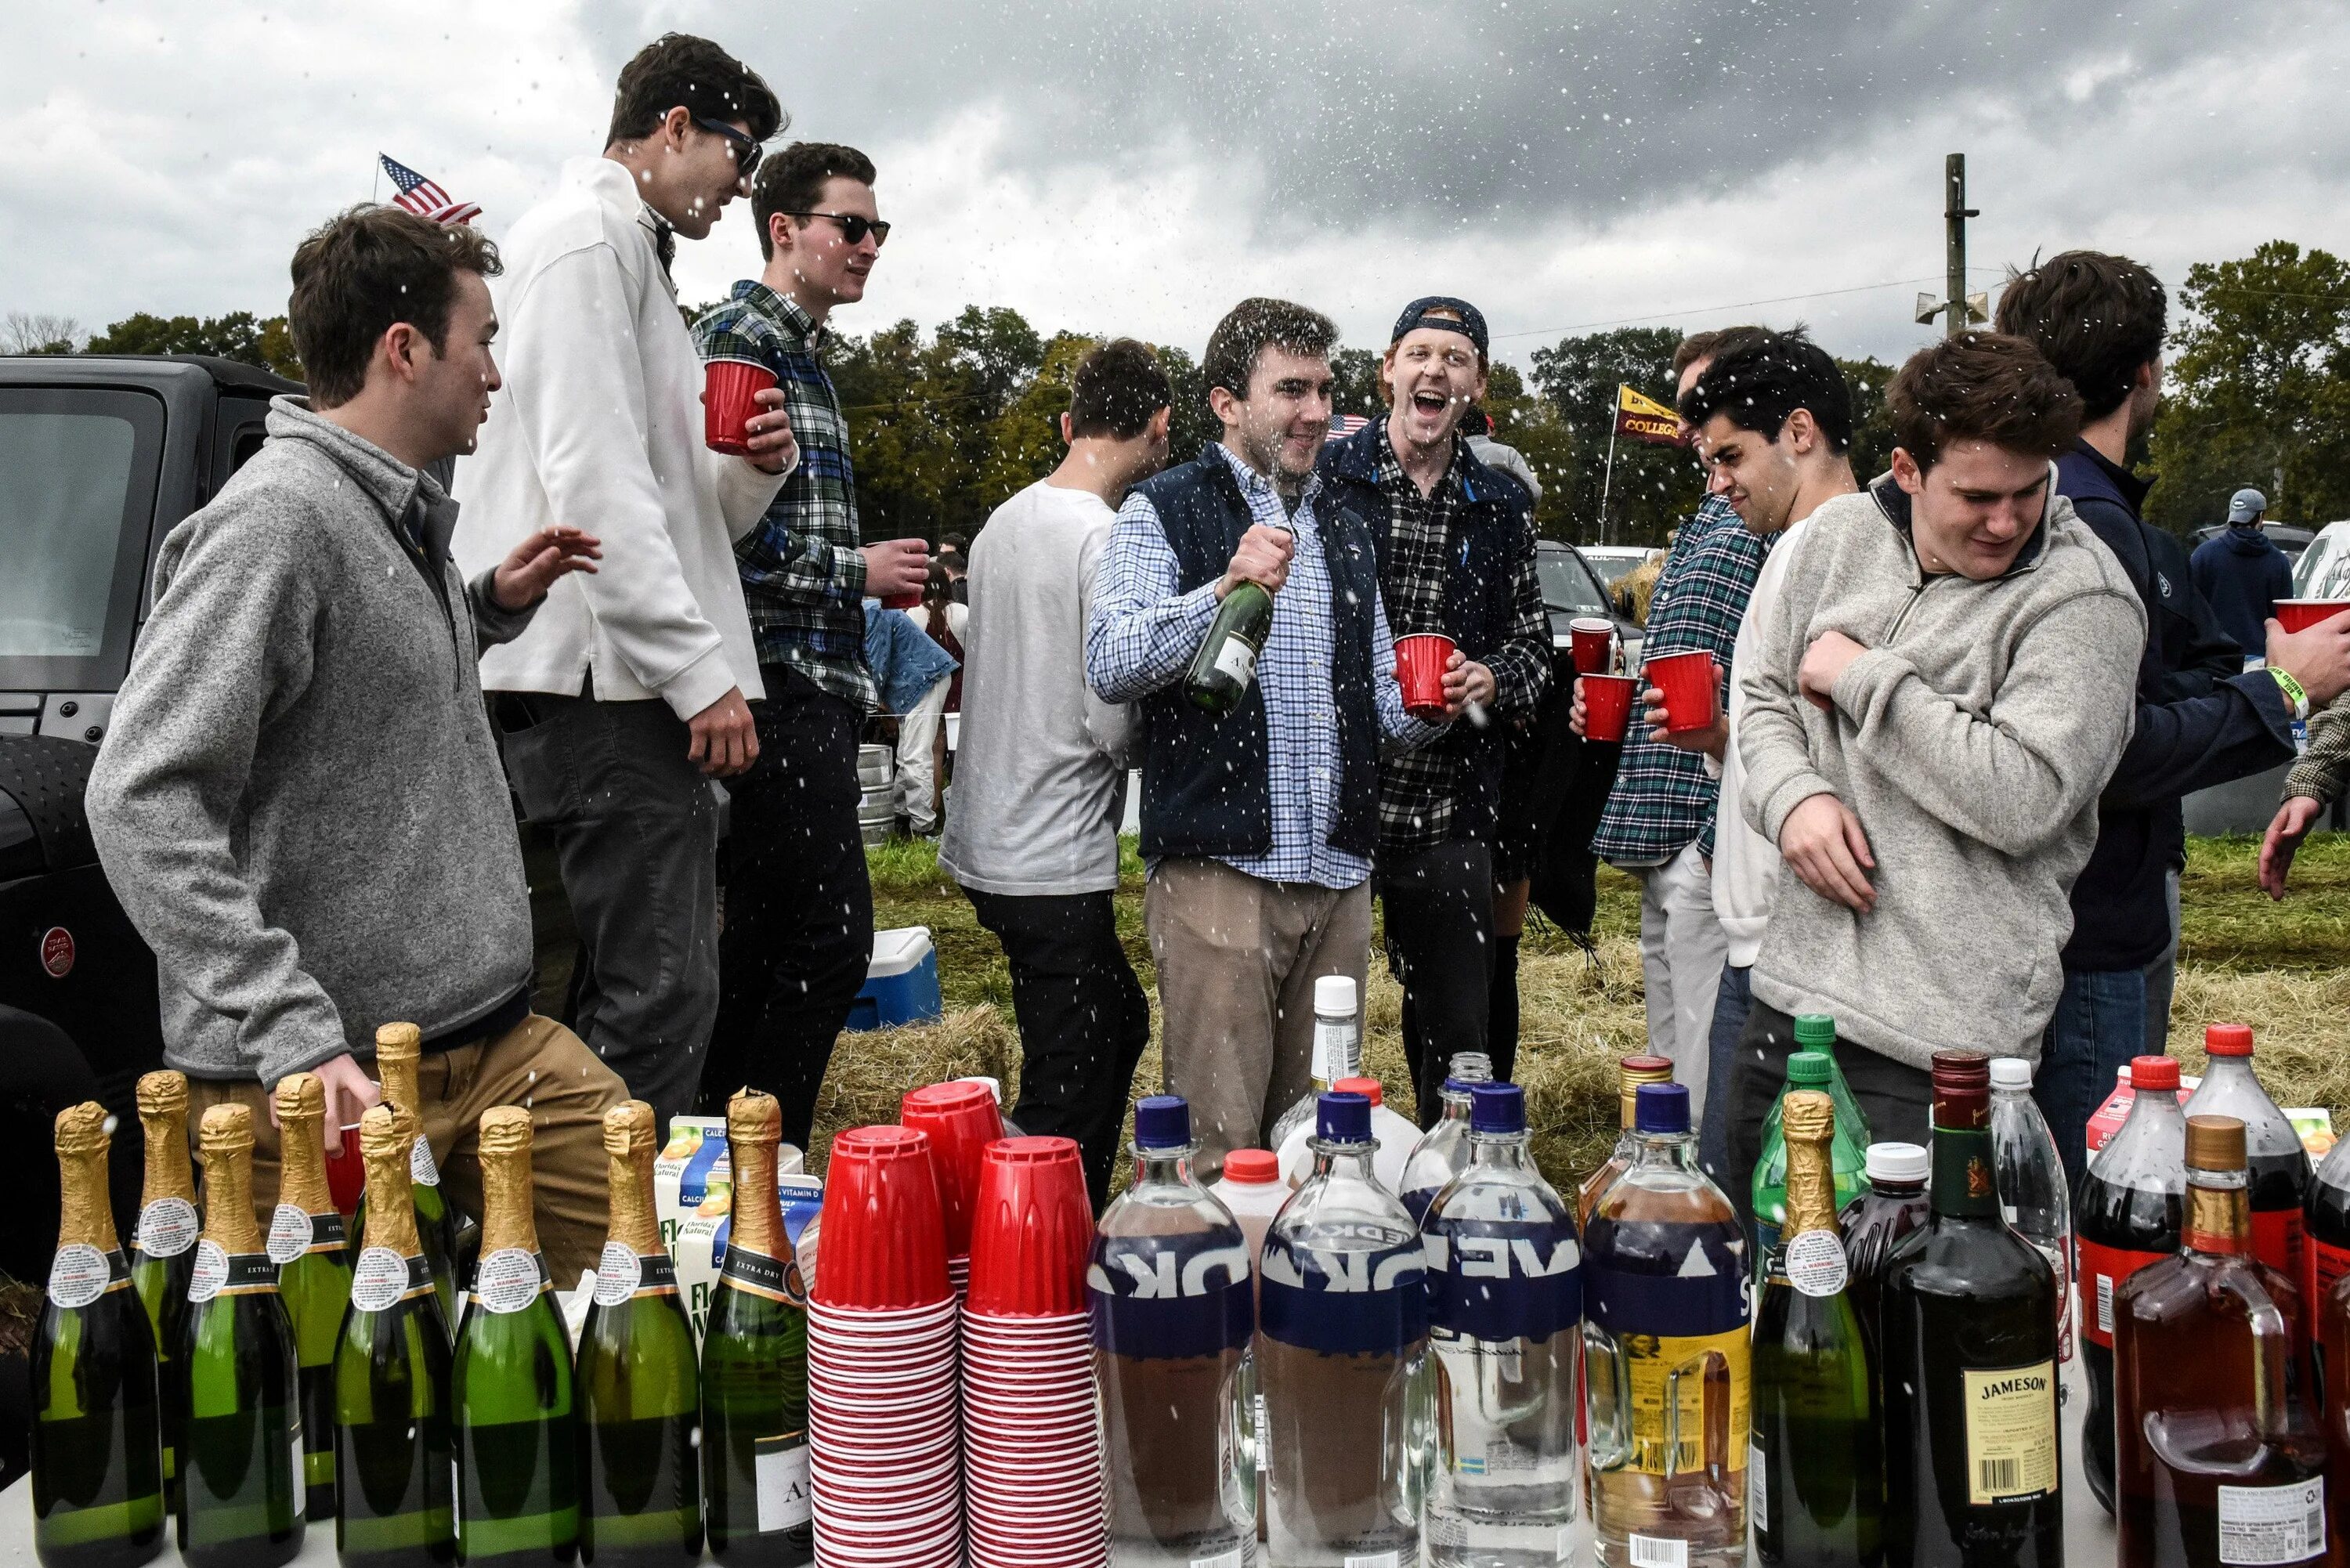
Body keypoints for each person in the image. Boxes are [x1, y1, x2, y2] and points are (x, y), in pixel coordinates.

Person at [87, 206, 626, 1281]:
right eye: (482, 340)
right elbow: (137, 795)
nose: (496, 374)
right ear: (405, 349)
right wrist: (292, 1030)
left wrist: (484, 605)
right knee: (352, 1411)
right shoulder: (278, 523)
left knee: (642, 1261)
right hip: (325, 1085)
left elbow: (357, 702)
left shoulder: (388, 516)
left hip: (495, 1047)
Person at [450, 34, 796, 1136]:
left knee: (622, 986)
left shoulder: (628, 254)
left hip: (614, 675)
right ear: (674, 126)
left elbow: (683, 509)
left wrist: (750, 467)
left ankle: (578, 1240)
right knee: (658, 989)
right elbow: (591, 483)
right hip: (604, 686)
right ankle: (606, 1254)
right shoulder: (586, 238)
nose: (744, 183)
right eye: (738, 154)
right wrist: (699, 674)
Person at [1725, 331, 2145, 1198]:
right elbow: (1764, 693)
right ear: (1908, 469)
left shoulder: (2084, 599)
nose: (2007, 520)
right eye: (1978, 495)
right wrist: (1793, 798)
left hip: (1942, 1044)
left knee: (1899, 1311)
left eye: (2030, 491)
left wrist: (1862, 675)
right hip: (1792, 1001)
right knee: (1753, 1287)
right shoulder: (1839, 536)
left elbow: (2027, 794)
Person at [1997, 251, 2350, 1181]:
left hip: (2092, 912)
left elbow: (2151, 683)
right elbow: (2111, 756)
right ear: (2145, 372)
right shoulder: (2084, 519)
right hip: (2091, 924)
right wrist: (2281, 691)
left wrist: (2250, 666)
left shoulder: (2095, 510)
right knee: (2096, 1198)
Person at [1086, 298, 1460, 1176]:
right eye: (1291, 389)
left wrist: (1438, 700)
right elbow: (1109, 658)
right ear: (1226, 403)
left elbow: (1378, 711)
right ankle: (1221, 1309)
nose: (1317, 413)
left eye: (1325, 390)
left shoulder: (1346, 526)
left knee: (1323, 1150)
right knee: (1220, 1154)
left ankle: (1296, 1314)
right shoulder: (1164, 507)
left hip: (1336, 877)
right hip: (1221, 872)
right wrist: (1222, 588)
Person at [690, 141, 931, 1148]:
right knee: (830, 944)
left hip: (804, 679)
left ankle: (711, 1154)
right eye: (852, 225)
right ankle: (758, 1159)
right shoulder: (741, 338)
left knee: (762, 944)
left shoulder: (807, 357)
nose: (871, 245)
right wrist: (856, 574)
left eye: (879, 228)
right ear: (784, 230)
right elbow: (709, 528)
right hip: (773, 682)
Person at [940, 338, 1171, 1205]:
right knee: (1067, 1080)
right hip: (1049, 848)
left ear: (1072, 421)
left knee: (1117, 1018)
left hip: (989, 831)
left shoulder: (1005, 519)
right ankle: (1028, 1244)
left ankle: (1065, 1211)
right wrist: (1163, 741)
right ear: (1160, 425)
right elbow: (1108, 714)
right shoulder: (1105, 538)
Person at [1316, 297, 1549, 1126]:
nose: (1435, 371)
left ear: (1477, 382)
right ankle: (1320, 1167)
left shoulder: (1500, 504)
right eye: (1420, 353)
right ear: (1387, 369)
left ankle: (1454, 1176)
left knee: (1459, 1020)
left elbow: (1535, 646)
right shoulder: (1328, 481)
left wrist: (1489, 677)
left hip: (1451, 795)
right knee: (1319, 1012)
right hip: (1335, 790)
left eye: (1455, 358)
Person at [1651, 331, 1859, 1196]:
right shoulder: (1796, 548)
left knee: (1757, 1205)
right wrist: (1721, 743)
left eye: (1731, 455)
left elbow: (1854, 771)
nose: (1719, 482)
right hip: (1766, 939)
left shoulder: (1837, 547)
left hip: (1793, 949)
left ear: (1800, 433)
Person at [1578, 327, 1771, 1125]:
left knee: (1702, 1057)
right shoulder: (1708, 512)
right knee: (1669, 1050)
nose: (1690, 423)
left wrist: (1707, 845)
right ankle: (1670, 1192)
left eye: (1706, 402)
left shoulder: (1769, 514)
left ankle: (1701, 1208)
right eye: (1688, 404)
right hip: (1665, 818)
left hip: (1713, 822)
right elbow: (1689, 646)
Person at [860, 594, 957, 834]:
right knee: (906, 754)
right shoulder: (868, 612)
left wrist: (866, 705)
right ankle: (901, 816)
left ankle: (923, 826)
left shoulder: (872, 612)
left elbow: (877, 664)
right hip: (914, 683)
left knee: (916, 755)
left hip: (925, 679)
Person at [900, 564, 967, 833]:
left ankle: (933, 809)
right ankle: (957, 812)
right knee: (957, 752)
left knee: (931, 751)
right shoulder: (962, 612)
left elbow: (909, 655)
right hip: (959, 686)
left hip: (926, 687)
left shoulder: (914, 613)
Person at [2192, 487, 2294, 661]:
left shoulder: (2203, 555)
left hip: (2214, 658)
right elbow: (2284, 620)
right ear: (2261, 517)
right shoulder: (2279, 562)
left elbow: (2191, 609)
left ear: (2231, 515)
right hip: (2261, 660)